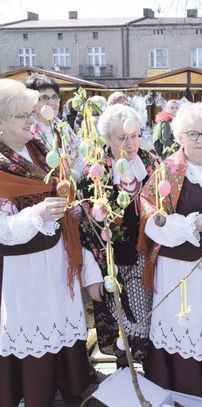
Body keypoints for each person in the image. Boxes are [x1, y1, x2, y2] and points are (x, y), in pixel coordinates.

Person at [0, 78, 103, 406]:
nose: (32, 120)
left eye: (31, 113)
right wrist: (38, 214)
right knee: (34, 337)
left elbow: (70, 209)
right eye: (22, 116)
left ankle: (70, 386)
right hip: (24, 274)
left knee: (61, 329)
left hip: (57, 265)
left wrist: (86, 261)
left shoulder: (40, 150)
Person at [140, 102, 202, 404]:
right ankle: (180, 390)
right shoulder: (168, 170)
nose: (200, 140)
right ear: (180, 136)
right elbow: (151, 220)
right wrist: (191, 225)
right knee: (183, 324)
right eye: (193, 133)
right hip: (179, 268)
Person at [79, 104, 157, 368]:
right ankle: (125, 369)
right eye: (121, 137)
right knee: (122, 315)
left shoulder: (151, 162)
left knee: (148, 313)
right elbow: (86, 227)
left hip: (149, 256)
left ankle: (148, 366)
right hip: (113, 260)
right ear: (107, 138)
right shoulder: (96, 172)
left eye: (134, 135)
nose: (130, 143)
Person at [26, 74, 85, 179]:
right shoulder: (27, 132)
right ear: (32, 103)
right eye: (44, 98)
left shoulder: (64, 128)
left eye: (55, 97)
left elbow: (79, 160)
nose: (52, 102)